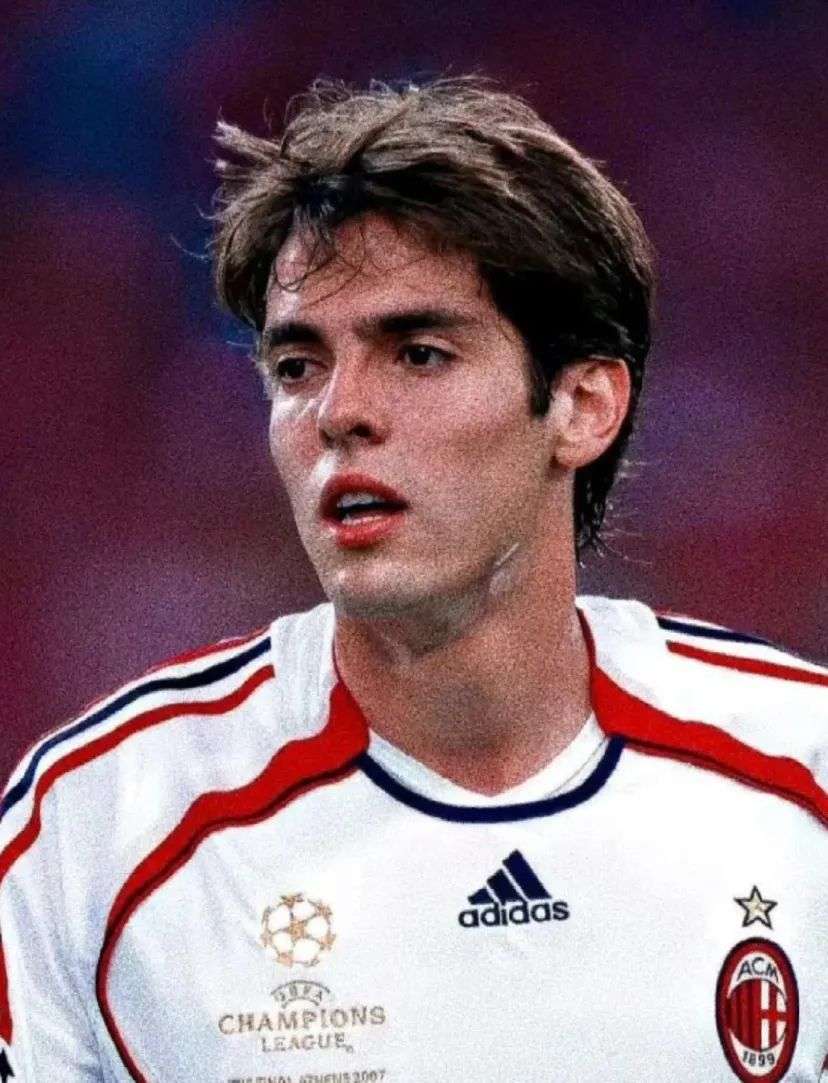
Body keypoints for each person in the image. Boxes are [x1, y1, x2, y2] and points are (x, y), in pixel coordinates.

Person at [0, 77, 825, 1083]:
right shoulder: (100, 825)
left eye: (419, 354)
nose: (339, 412)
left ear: (582, 407)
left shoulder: (804, 777)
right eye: (297, 367)